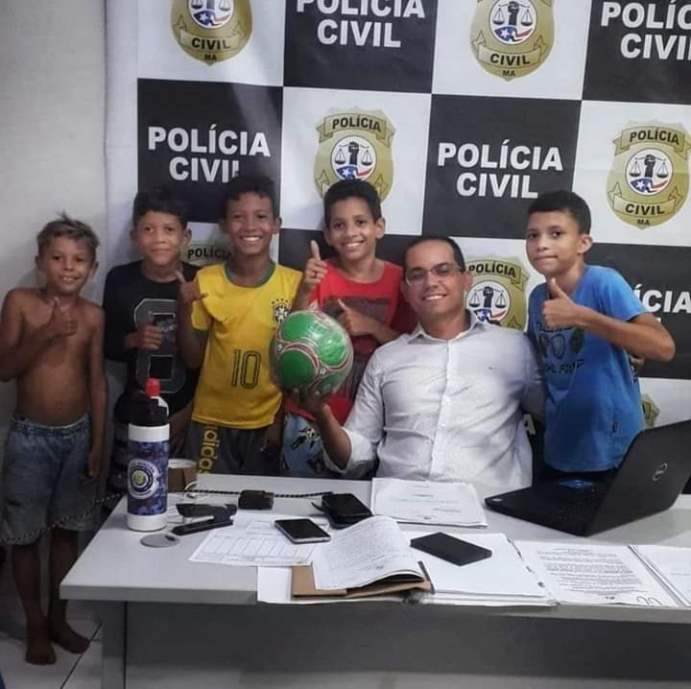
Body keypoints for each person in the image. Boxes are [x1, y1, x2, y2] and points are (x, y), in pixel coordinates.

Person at [301, 236, 544, 488]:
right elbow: (354, 458)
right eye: (417, 275)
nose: (430, 282)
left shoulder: (515, 348)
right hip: (398, 506)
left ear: (466, 280)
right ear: (405, 291)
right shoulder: (386, 358)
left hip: (487, 507)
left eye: (443, 270)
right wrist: (322, 414)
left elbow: (554, 417)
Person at [0, 215, 106, 664]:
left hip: (76, 437)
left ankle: (59, 618)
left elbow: (97, 381)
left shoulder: (93, 316)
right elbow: (4, 369)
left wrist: (98, 442)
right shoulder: (20, 303)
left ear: (92, 268)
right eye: (58, 258)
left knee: (68, 532)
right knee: (24, 536)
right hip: (29, 439)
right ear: (40, 262)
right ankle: (35, 625)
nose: (68, 267)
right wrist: (46, 333)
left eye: (78, 260)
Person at [524, 190, 675, 478]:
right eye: (533, 235)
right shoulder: (537, 297)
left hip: (611, 453)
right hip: (560, 447)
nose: (541, 244)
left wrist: (583, 317)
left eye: (556, 234)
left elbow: (664, 347)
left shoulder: (604, 282)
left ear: (583, 243)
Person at [284, 179, 414, 476]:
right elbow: (291, 343)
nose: (351, 233)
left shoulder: (400, 280)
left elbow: (414, 350)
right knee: (298, 500)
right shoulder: (319, 275)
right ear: (328, 235)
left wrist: (372, 326)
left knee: (362, 504)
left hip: (370, 425)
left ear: (379, 227)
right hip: (310, 418)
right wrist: (305, 290)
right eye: (339, 225)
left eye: (360, 222)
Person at [177, 174, 302, 475]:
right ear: (223, 225)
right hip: (212, 421)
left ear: (276, 224)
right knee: (204, 500)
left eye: (261, 217)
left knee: (259, 503)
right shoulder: (206, 280)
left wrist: (279, 419)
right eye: (238, 217)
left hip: (267, 422)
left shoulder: (295, 284)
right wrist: (183, 308)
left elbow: (296, 364)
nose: (249, 226)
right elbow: (193, 359)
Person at [103, 187, 198, 493]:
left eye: (169, 229)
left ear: (185, 237)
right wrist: (133, 339)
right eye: (148, 229)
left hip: (186, 414)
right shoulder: (120, 280)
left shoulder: (202, 280)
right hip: (135, 413)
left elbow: (212, 361)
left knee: (183, 503)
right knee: (128, 499)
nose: (159, 238)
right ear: (134, 236)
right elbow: (105, 345)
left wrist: (189, 413)